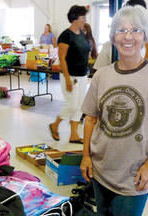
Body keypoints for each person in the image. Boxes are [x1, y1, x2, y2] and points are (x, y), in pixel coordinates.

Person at [80, 5, 148, 216]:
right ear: (113, 37)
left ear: (145, 35)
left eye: (135, 30)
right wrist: (86, 156)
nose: (127, 37)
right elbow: (91, 119)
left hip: (134, 174)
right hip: (100, 168)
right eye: (121, 30)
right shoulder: (102, 75)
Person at [49, 5, 90, 144]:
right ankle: (55, 125)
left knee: (80, 106)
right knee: (72, 105)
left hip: (82, 75)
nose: (85, 20)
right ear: (75, 19)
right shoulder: (65, 36)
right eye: (83, 17)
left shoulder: (82, 34)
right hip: (70, 76)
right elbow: (62, 59)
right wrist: (67, 79)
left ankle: (74, 135)